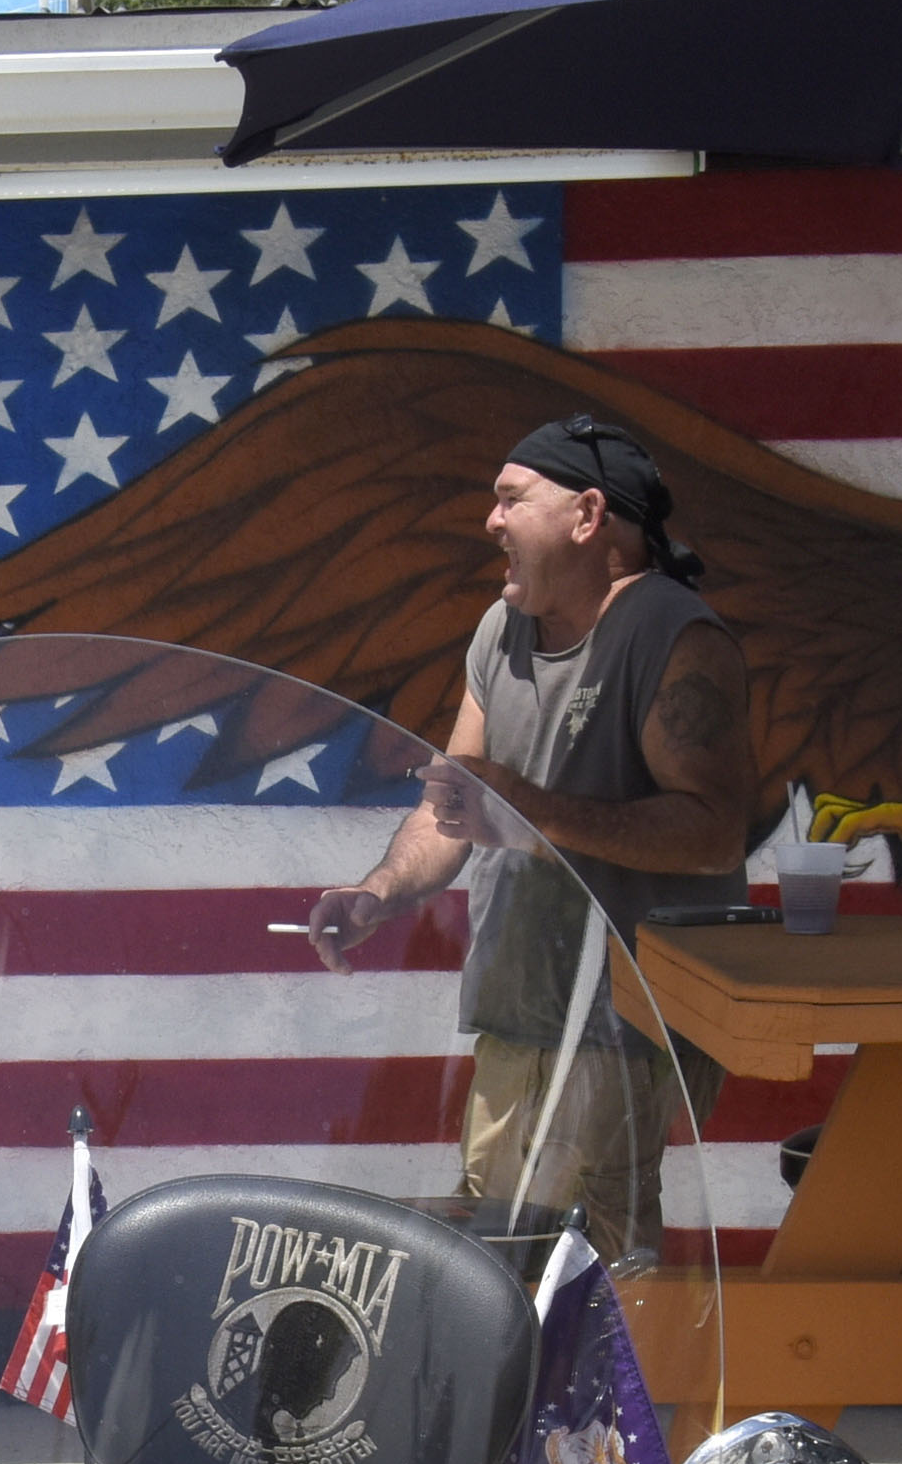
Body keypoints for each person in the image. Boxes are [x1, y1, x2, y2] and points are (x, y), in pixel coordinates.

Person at [306, 419, 758, 1271]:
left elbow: (711, 833)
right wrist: (380, 891)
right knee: (510, 1261)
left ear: (586, 516)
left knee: (574, 1272)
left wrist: (532, 814)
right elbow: (453, 802)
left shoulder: (673, 635)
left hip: (621, 1025)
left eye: (511, 499)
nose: (491, 522)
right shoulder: (502, 628)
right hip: (519, 1014)